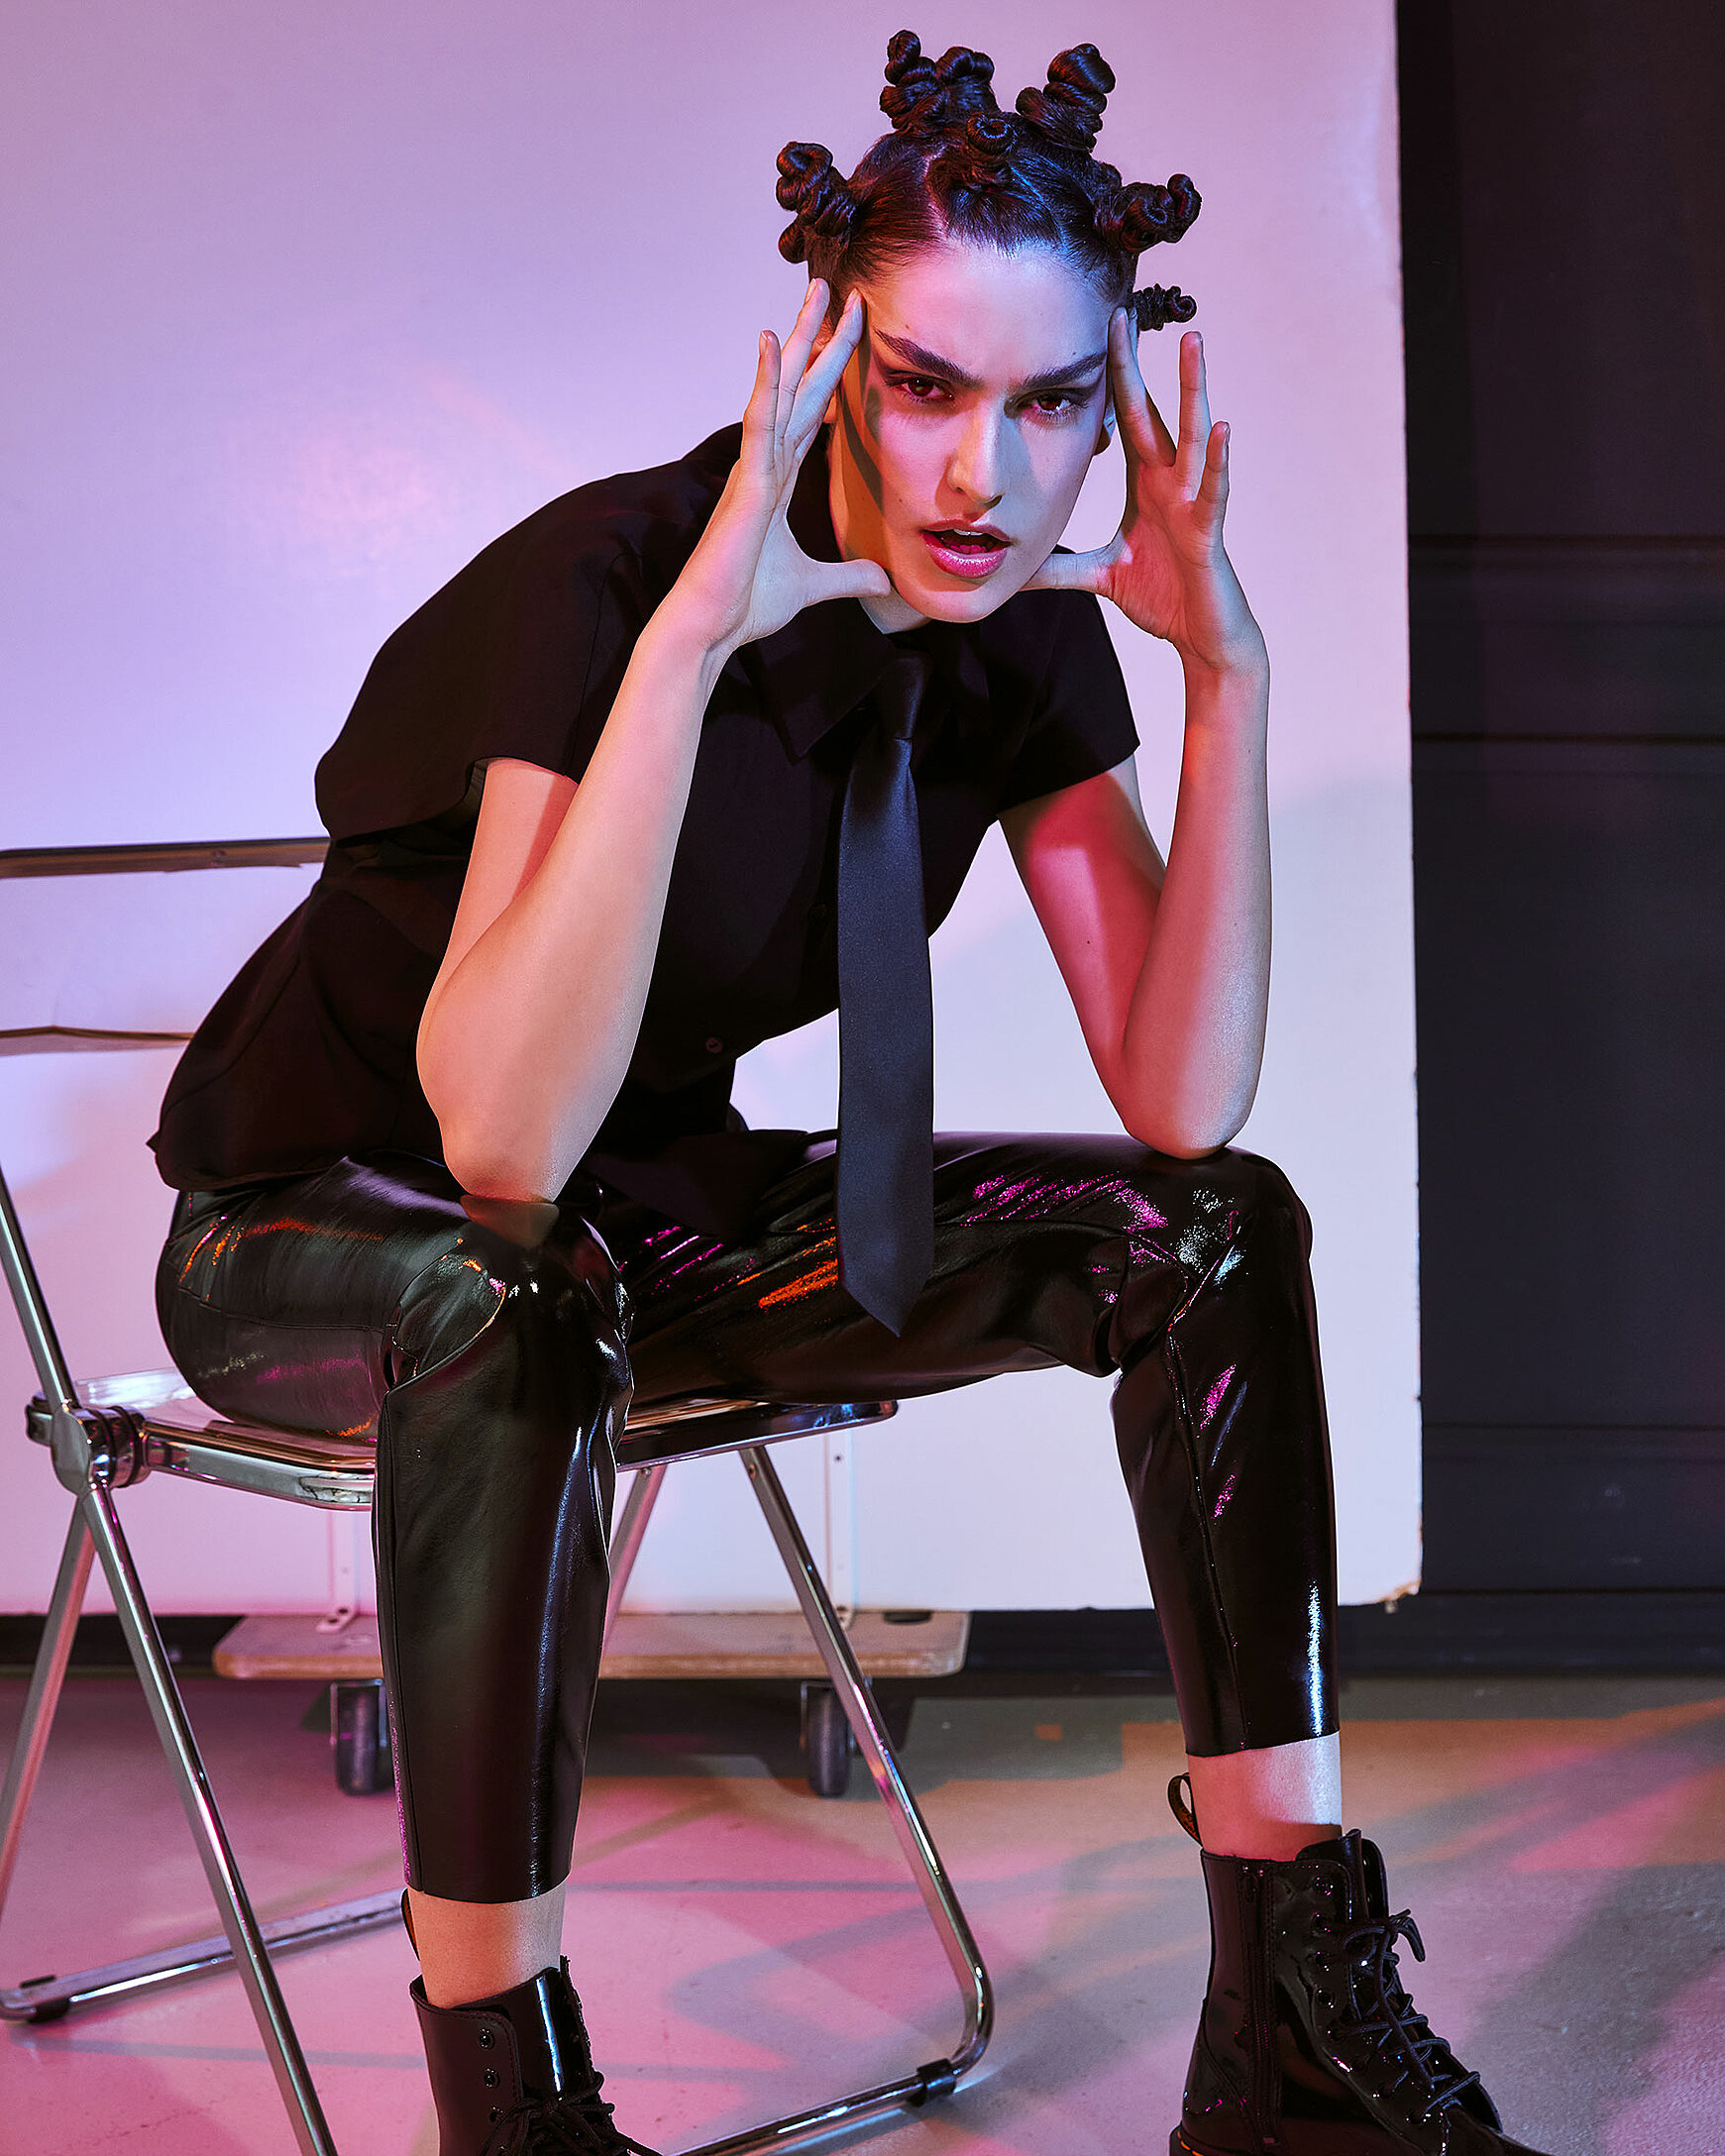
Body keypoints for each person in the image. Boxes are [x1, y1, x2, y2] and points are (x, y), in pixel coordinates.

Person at [149, 33, 1549, 2156]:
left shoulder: (1012, 639)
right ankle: (509, 2107)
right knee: (506, 1295)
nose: (986, 471)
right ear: (825, 356)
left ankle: (1286, 2025)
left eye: (1054, 400)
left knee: (1220, 1226)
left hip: (632, 1238)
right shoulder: (609, 582)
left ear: (1118, 403)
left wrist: (1225, 673)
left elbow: (1180, 1093)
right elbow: (502, 1143)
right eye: (923, 385)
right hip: (322, 1230)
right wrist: (698, 634)